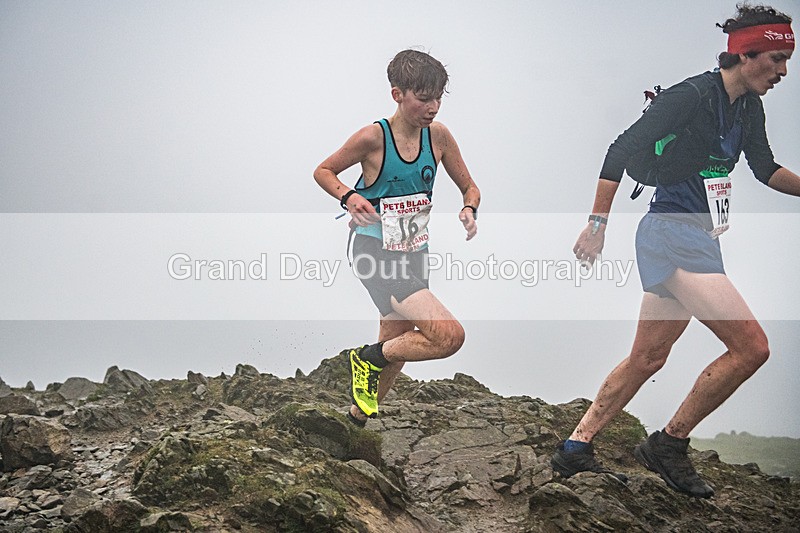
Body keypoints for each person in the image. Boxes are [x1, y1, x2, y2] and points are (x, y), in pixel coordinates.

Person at [551, 4, 797, 498]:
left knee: (648, 357)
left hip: (699, 237)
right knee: (752, 348)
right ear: (745, 55)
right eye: (776, 59)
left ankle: (575, 448)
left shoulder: (748, 107)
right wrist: (597, 225)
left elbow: (765, 168)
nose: (784, 71)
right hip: (670, 234)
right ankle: (669, 442)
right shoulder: (692, 95)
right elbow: (620, 149)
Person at [313, 49, 480, 427]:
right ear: (398, 94)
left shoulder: (438, 137)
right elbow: (323, 170)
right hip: (374, 250)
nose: (433, 107)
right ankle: (366, 358)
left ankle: (355, 424)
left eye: (438, 98)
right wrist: (350, 196)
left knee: (399, 340)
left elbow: (469, 186)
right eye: (423, 98)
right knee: (448, 336)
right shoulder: (373, 137)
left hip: (414, 252)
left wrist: (470, 208)